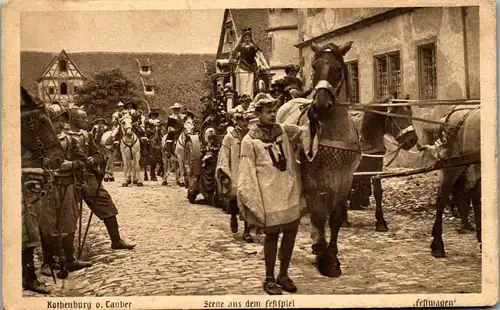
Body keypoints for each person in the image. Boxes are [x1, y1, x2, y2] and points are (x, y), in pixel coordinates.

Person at [237, 98, 304, 295]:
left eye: (274, 110)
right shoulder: (249, 141)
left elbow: (296, 144)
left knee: (291, 231)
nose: (273, 114)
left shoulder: (281, 131)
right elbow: (247, 174)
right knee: (272, 234)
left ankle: (283, 274)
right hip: (267, 194)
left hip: (286, 190)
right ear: (257, 115)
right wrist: (253, 200)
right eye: (268, 111)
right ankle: (269, 278)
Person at [68, 108, 137, 250]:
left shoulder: (87, 136)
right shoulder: (63, 136)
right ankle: (65, 253)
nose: (86, 121)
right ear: (74, 120)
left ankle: (116, 240)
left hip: (88, 178)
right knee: (69, 214)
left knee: (106, 204)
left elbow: (99, 155)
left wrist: (94, 159)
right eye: (83, 118)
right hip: (69, 179)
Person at [40, 101, 93, 278]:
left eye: (63, 120)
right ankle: (48, 262)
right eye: (57, 120)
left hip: (68, 185)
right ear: (48, 121)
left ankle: (70, 259)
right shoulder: (39, 141)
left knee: (69, 221)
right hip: (47, 186)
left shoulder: (70, 140)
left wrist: (73, 164)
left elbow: (83, 160)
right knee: (48, 224)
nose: (61, 124)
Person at [216, 110, 254, 242]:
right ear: (236, 121)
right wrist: (225, 173)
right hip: (235, 171)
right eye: (242, 121)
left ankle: (247, 230)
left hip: (249, 172)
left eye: (246, 121)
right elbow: (224, 156)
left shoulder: (251, 136)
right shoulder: (230, 137)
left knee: (249, 199)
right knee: (234, 198)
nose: (244, 123)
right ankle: (233, 216)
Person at [22, 168, 51, 294]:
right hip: (24, 183)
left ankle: (28, 277)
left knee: (30, 231)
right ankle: (29, 278)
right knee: (27, 233)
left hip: (31, 183)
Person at [230, 28, 270, 97]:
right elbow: (233, 56)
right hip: (242, 67)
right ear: (243, 38)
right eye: (245, 38)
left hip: (251, 68)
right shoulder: (240, 46)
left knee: (250, 85)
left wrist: (266, 66)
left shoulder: (254, 47)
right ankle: (242, 97)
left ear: (251, 38)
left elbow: (260, 56)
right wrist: (233, 60)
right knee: (243, 84)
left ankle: (250, 98)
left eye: (248, 37)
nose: (247, 39)